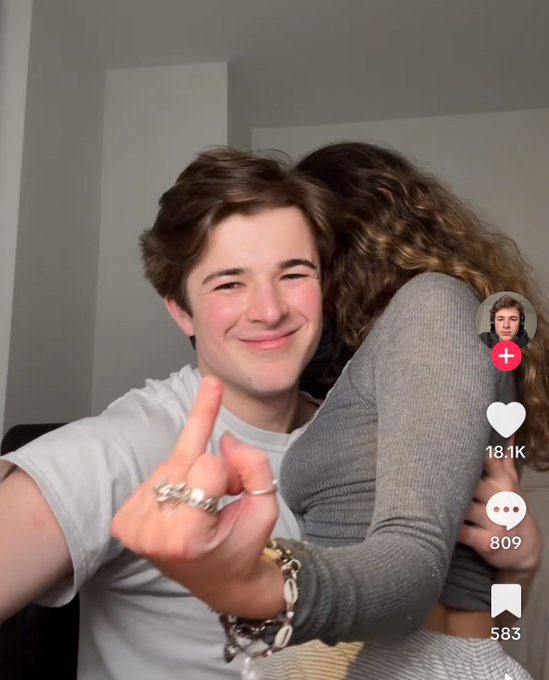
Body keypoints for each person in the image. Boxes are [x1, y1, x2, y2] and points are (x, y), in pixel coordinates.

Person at [1, 148, 521, 680]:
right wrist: (258, 587)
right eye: (229, 283)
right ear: (182, 311)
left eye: (293, 274)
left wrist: (515, 574)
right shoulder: (116, 451)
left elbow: (473, 650)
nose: (270, 311)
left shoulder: (359, 440)